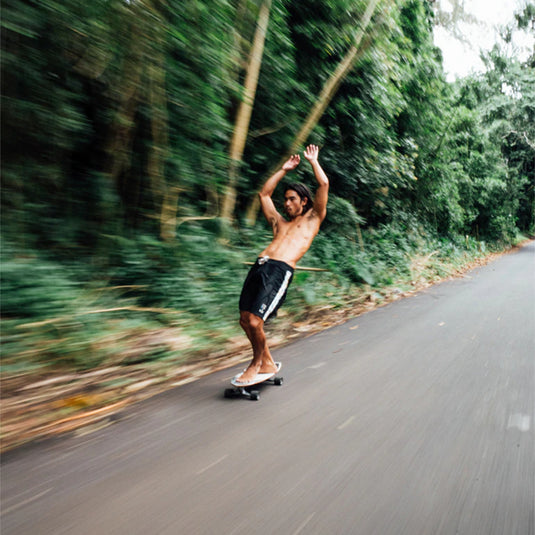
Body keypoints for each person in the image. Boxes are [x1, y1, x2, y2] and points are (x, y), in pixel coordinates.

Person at [236, 144, 329, 385]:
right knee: (245, 320)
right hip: (260, 266)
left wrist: (313, 162)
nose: (286, 204)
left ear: (304, 201)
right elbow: (264, 195)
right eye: (285, 200)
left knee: (256, 321)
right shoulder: (279, 223)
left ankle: (256, 363)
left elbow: (324, 185)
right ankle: (266, 361)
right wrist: (284, 169)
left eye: (291, 200)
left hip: (279, 271)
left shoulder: (312, 220)